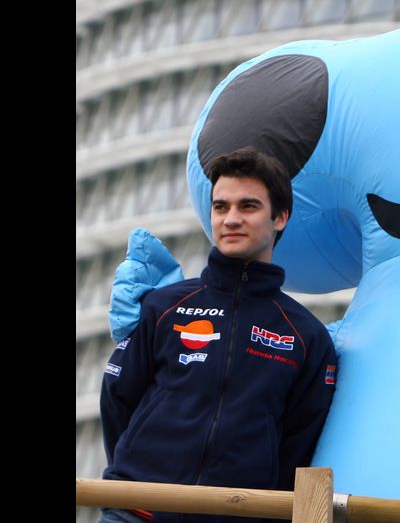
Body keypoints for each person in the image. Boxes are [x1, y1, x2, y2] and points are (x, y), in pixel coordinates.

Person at [99, 147, 339, 523]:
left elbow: (298, 444)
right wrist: (138, 481)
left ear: (280, 217)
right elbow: (118, 400)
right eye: (220, 207)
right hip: (137, 513)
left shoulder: (305, 334)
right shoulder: (164, 307)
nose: (230, 219)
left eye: (248, 206)